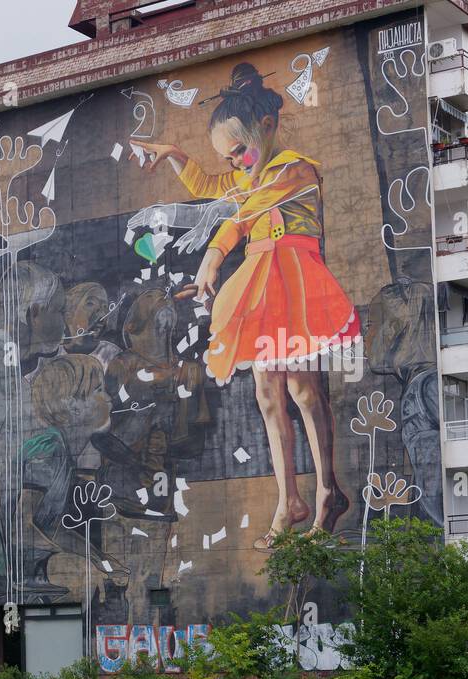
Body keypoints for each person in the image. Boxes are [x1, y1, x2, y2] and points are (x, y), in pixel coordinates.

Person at [137, 62, 353, 547]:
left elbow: (245, 212)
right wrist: (174, 152)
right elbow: (210, 189)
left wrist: (212, 259)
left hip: (293, 280)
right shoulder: (247, 176)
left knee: (303, 390)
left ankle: (325, 492)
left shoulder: (297, 168)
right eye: (228, 158)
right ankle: (288, 500)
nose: (236, 163)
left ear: (269, 127)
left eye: (240, 151)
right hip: (259, 284)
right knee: (267, 395)